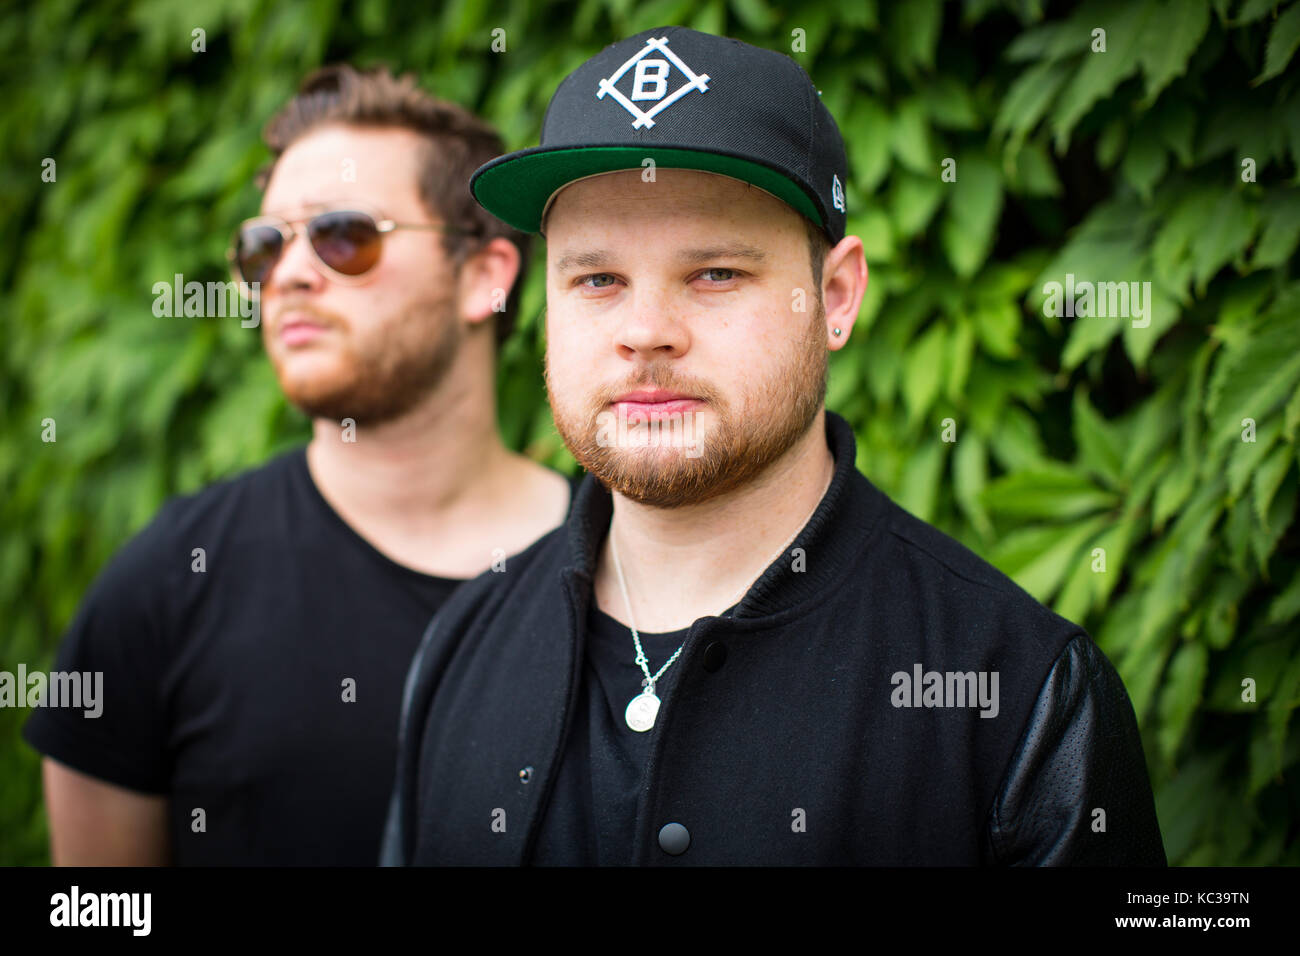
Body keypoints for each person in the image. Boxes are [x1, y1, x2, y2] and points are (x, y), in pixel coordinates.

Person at [381, 27, 1167, 866]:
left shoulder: (1020, 696)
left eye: (716, 272)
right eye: (597, 279)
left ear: (835, 295)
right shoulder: (461, 644)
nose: (646, 333)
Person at [23, 64, 574, 865]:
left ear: (484, 276)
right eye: (262, 246)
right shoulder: (168, 582)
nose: (289, 273)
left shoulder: (626, 573)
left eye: (344, 234)